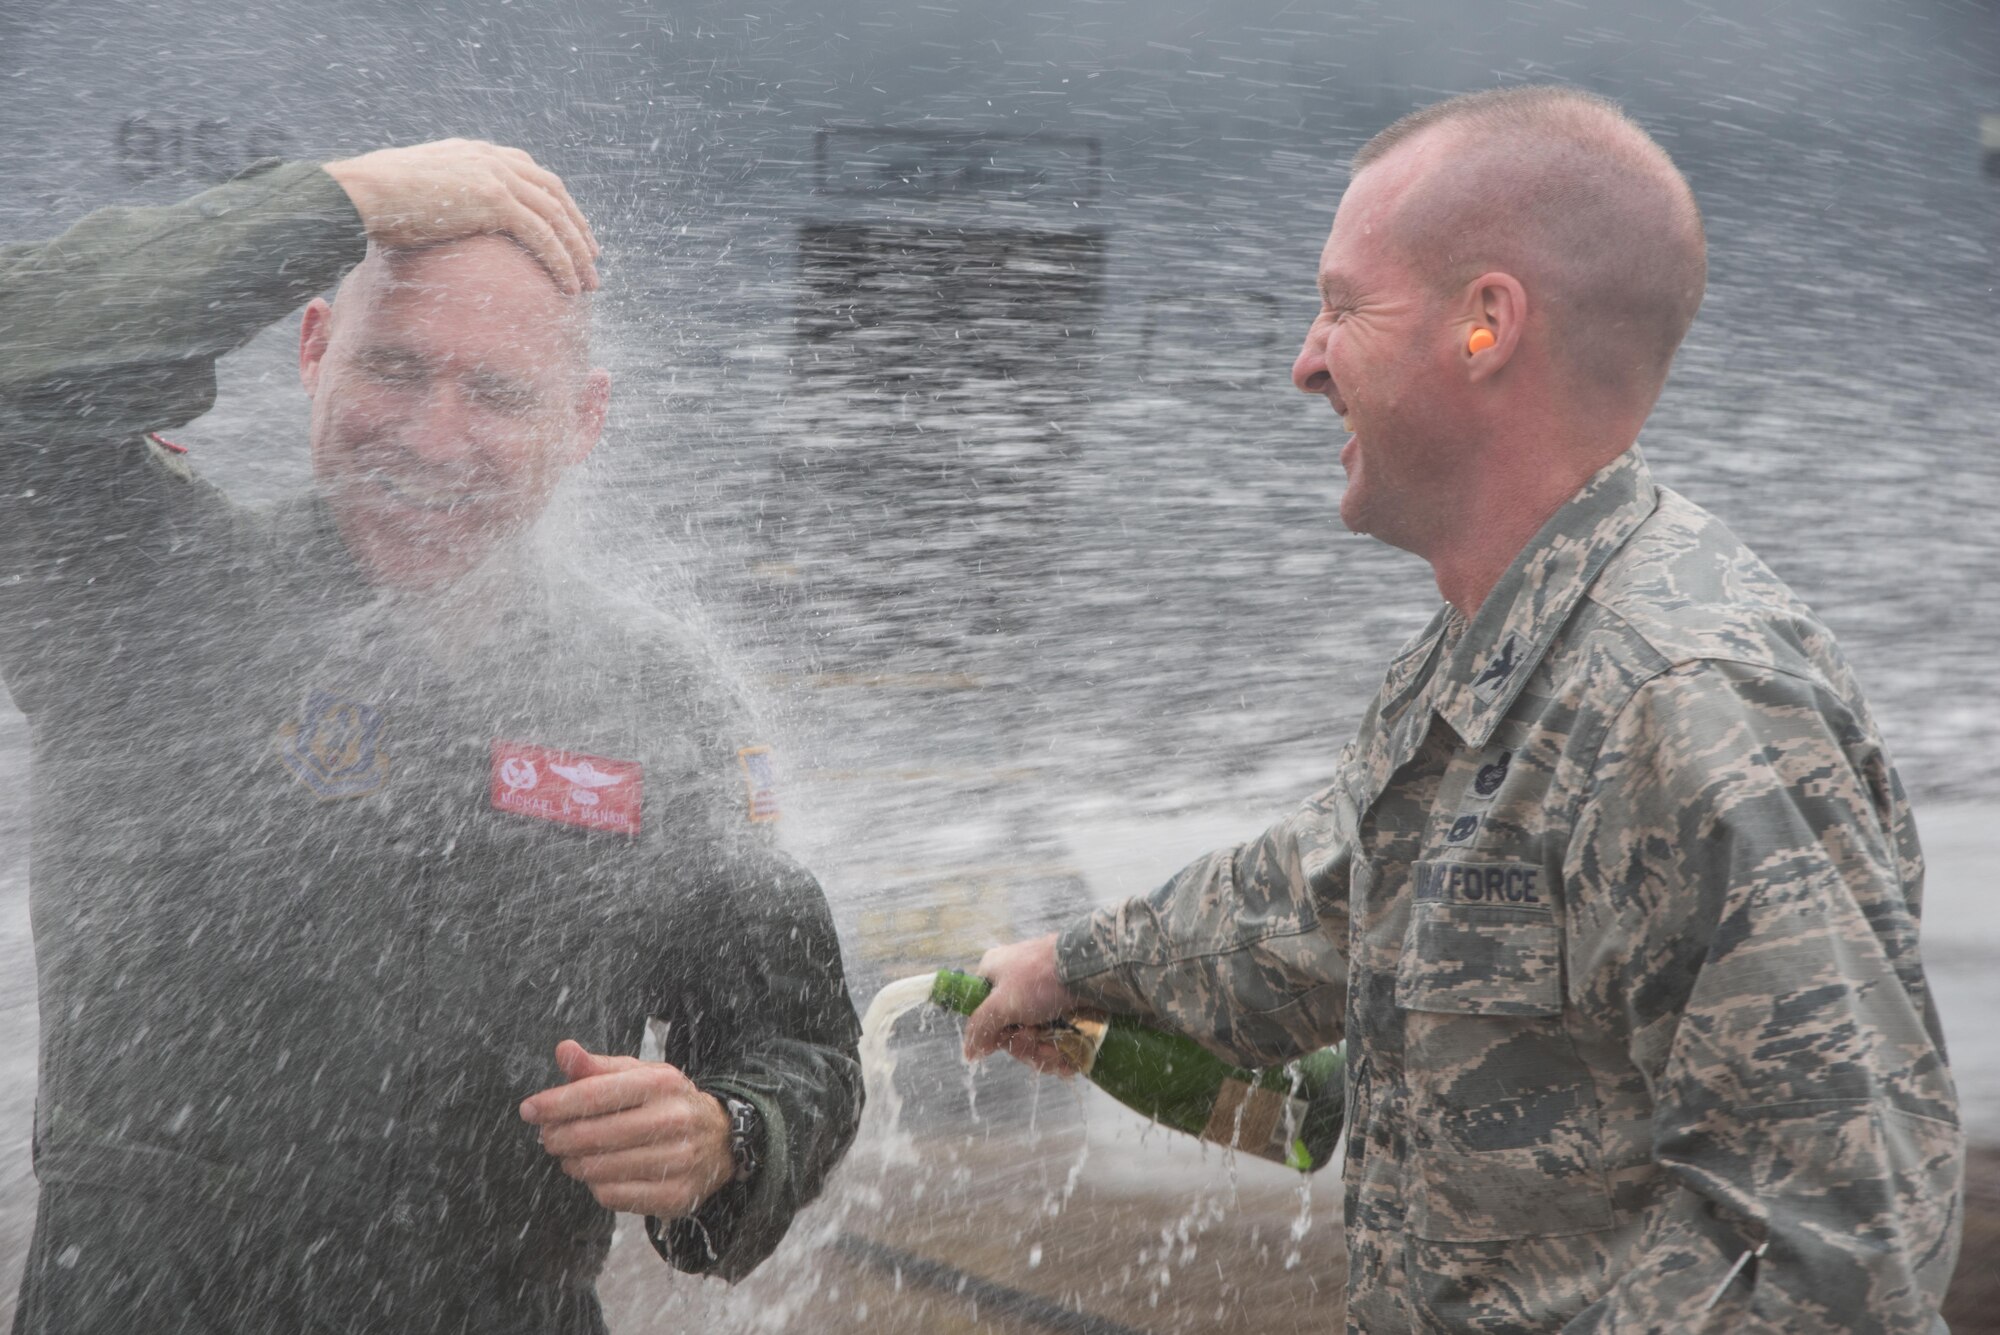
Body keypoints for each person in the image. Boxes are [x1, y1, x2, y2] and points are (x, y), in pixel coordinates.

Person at [964, 86, 1963, 1332]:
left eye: (1340, 306)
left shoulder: (1688, 700)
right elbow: (1328, 898)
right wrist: (1074, 969)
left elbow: (1825, 1255)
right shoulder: (1497, 659)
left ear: (1485, 325)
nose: (1303, 360)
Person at [0, 139, 861, 1333]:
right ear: (311, 350)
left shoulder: (654, 699)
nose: (434, 438)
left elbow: (796, 1041)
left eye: (498, 393)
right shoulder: (140, 595)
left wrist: (729, 1136)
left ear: (584, 419)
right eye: (393, 368)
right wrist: (336, 202)